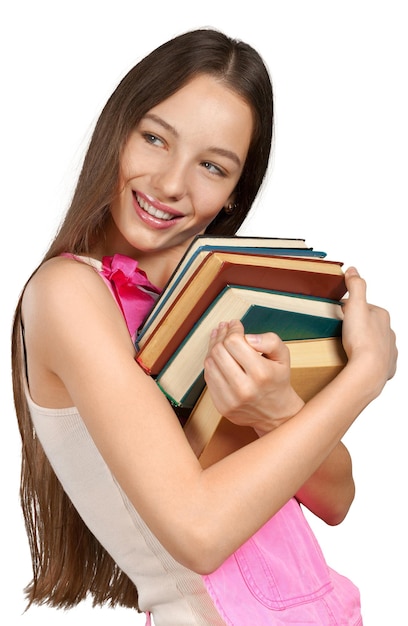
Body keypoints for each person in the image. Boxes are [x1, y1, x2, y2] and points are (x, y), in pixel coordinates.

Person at [11, 28, 397, 626]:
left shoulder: (219, 298)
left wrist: (276, 411)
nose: (171, 184)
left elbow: (336, 497)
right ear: (117, 131)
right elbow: (199, 533)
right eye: (155, 138)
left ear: (232, 196)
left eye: (211, 166)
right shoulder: (69, 295)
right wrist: (364, 378)